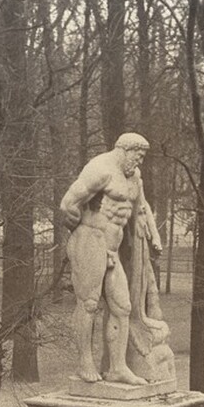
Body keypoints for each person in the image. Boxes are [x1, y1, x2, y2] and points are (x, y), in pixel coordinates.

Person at [60, 133, 152, 386]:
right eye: (138, 155)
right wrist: (84, 232)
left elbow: (141, 209)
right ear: (125, 149)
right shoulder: (100, 169)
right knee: (89, 304)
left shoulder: (133, 176)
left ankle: (117, 368)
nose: (140, 161)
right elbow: (68, 203)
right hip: (90, 240)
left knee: (122, 307)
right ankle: (85, 363)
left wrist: (151, 235)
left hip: (113, 247)